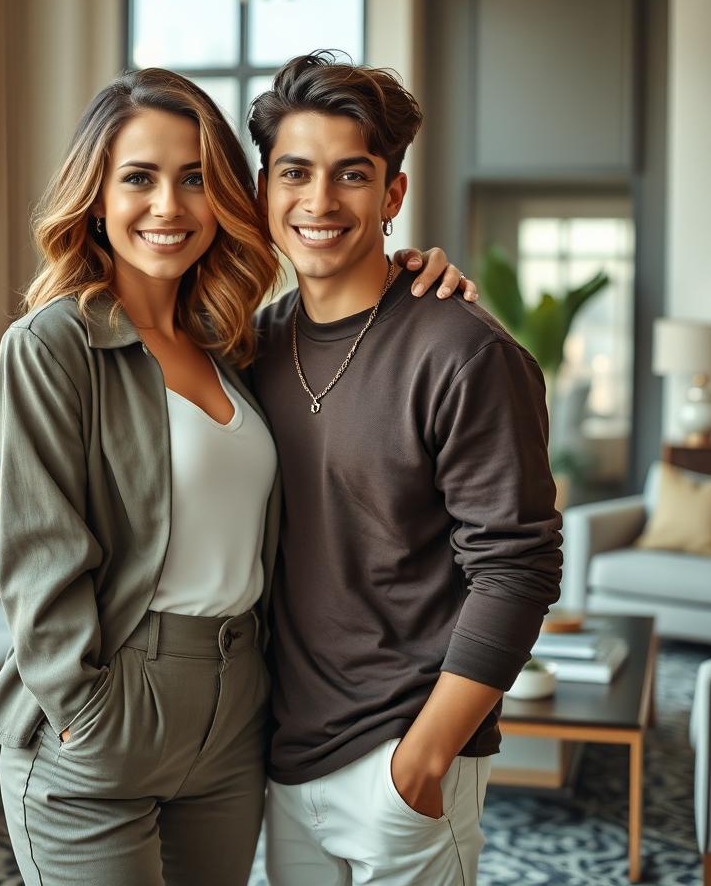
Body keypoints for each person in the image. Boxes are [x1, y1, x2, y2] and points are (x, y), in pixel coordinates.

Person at [0, 66, 471, 886]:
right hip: (108, 710)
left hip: (238, 715)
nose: (168, 207)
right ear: (96, 195)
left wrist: (416, 277)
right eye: (139, 178)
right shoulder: (52, 345)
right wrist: (84, 709)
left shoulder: (239, 342)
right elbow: (40, 551)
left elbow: (358, 317)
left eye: (196, 179)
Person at [247, 52, 564, 886]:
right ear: (264, 190)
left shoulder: (465, 353)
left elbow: (518, 569)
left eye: (352, 174)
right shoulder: (251, 348)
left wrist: (420, 765)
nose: (319, 201)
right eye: (295, 173)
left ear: (392, 195)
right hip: (285, 754)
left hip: (404, 757)